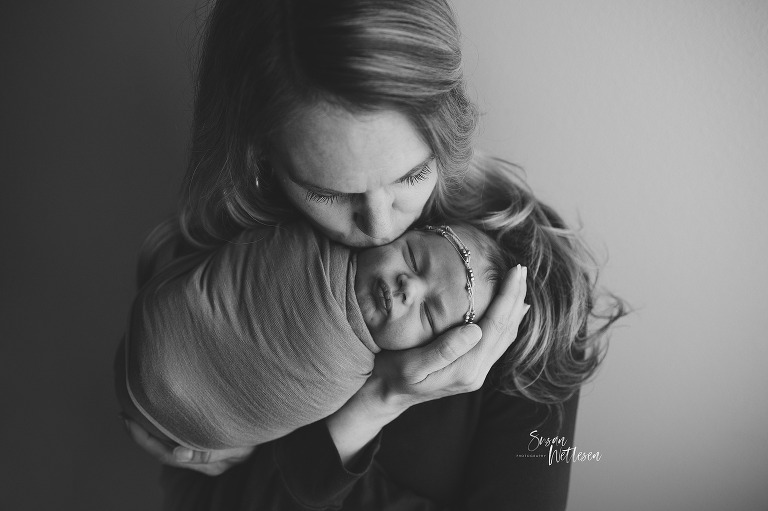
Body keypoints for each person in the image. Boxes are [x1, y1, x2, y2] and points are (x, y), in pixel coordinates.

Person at [121, 0, 626, 509]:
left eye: (410, 176)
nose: (382, 227)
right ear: (262, 160)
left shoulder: (530, 283)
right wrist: (377, 402)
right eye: (330, 193)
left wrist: (363, 417)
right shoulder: (229, 262)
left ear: (446, 133)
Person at [117, 222, 513, 452]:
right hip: (158, 331)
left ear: (430, 352)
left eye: (428, 313)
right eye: (412, 257)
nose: (409, 286)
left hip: (182, 427)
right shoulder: (323, 233)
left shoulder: (355, 379)